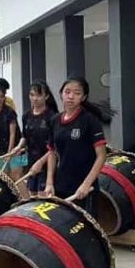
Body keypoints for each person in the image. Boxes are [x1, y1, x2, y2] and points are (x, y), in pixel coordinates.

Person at [27, 77, 107, 216]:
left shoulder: (90, 120)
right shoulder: (55, 120)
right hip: (61, 185)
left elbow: (101, 156)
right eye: (67, 92)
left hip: (84, 189)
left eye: (77, 93)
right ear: (61, 94)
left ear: (84, 97)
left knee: (85, 231)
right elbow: (52, 152)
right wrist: (49, 182)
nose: (71, 96)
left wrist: (87, 184)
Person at [11, 81, 59, 196]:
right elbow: (25, 136)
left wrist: (41, 162)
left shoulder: (53, 117)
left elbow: (55, 147)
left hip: (48, 162)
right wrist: (18, 147)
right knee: (31, 194)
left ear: (46, 96)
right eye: (32, 95)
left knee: (42, 197)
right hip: (31, 161)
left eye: (38, 95)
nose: (35, 98)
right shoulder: (26, 116)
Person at [0, 84, 24, 183]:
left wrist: (10, 152)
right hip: (3, 150)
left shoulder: (10, 112)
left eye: (2, 96)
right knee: (5, 177)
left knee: (17, 177)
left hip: (18, 149)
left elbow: (13, 134)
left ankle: (23, 198)